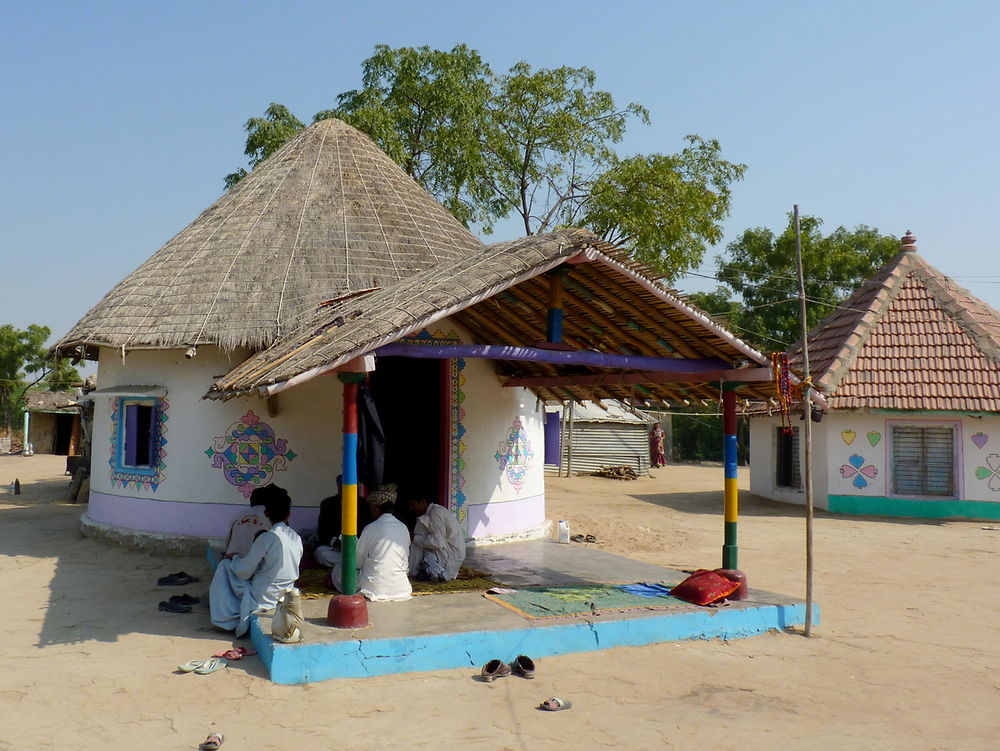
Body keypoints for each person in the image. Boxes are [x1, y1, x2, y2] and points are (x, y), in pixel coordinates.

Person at [209, 485, 303, 636]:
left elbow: (244, 572)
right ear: (289, 515)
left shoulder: (267, 537)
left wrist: (234, 558)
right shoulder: (296, 538)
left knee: (224, 566)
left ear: (266, 512)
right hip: (284, 594)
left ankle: (226, 619)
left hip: (263, 597)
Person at [327, 483, 411, 602]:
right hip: (401, 588)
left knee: (339, 570)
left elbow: (356, 563)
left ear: (375, 509)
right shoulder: (404, 527)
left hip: (374, 589)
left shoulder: (371, 528)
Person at [313, 476, 370, 567]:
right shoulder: (328, 504)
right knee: (320, 554)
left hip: (356, 548)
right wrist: (335, 541)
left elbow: (367, 529)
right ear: (339, 490)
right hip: (336, 548)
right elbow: (323, 530)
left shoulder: (364, 505)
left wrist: (353, 542)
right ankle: (351, 564)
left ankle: (348, 564)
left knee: (366, 555)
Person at [407, 496, 466, 582]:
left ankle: (413, 571)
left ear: (423, 501)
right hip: (450, 555)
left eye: (412, 504)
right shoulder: (434, 511)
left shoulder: (436, 513)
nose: (411, 508)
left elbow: (437, 542)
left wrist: (415, 538)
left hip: (450, 558)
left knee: (421, 523)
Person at [223, 485, 274, 557]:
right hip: (258, 564)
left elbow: (227, 543)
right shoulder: (272, 518)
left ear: (251, 500)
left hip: (232, 562)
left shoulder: (237, 516)